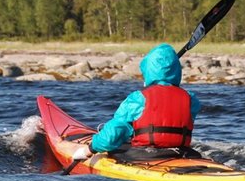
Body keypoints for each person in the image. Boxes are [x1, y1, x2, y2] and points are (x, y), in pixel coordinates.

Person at [72, 43, 201, 161]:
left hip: (145, 155)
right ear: (177, 70)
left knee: (117, 145)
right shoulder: (192, 99)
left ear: (148, 70)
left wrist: (89, 149)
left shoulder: (138, 98)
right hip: (181, 153)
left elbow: (114, 132)